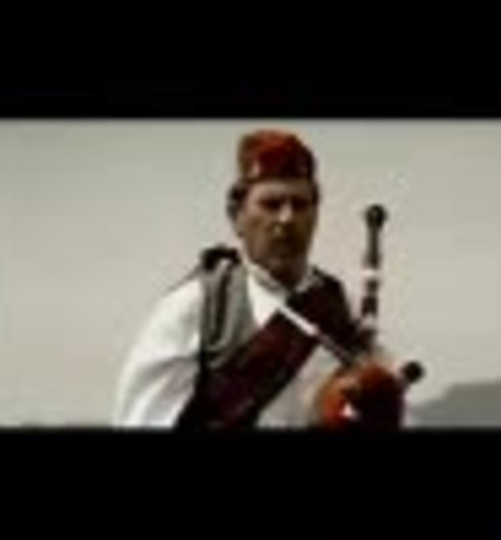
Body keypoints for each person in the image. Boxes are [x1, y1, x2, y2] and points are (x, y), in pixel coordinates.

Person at [112, 129, 410, 430]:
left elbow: (381, 401)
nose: (287, 218)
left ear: (315, 214)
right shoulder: (196, 307)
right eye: (271, 204)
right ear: (236, 215)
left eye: (300, 205)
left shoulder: (342, 306)